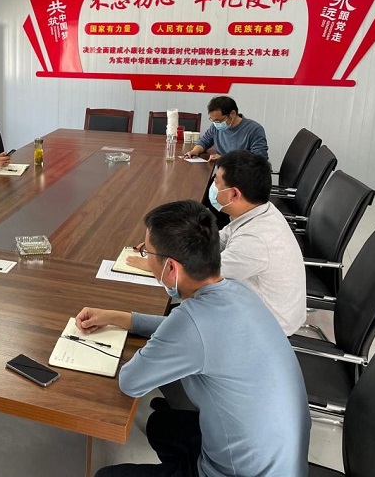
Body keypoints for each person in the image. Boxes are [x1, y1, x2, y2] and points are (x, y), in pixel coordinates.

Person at [79, 200, 309, 477]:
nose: (146, 258)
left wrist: (146, 346)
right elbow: (191, 333)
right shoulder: (237, 290)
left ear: (171, 268)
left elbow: (130, 382)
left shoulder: (191, 321)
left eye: (148, 253)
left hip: (240, 473)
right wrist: (121, 318)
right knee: (161, 426)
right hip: (279, 458)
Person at [128, 151, 306, 336]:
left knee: (166, 318)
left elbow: (198, 278)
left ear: (234, 194)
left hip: (269, 326)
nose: (213, 186)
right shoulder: (258, 212)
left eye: (217, 182)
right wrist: (166, 242)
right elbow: (215, 241)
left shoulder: (256, 241)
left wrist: (156, 263)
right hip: (253, 303)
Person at [183, 96, 268, 160]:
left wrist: (225, 159)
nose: (216, 123)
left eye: (219, 120)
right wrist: (195, 151)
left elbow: (259, 160)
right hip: (225, 172)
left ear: (232, 114)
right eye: (212, 120)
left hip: (246, 174)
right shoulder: (215, 127)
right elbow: (204, 141)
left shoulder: (254, 130)